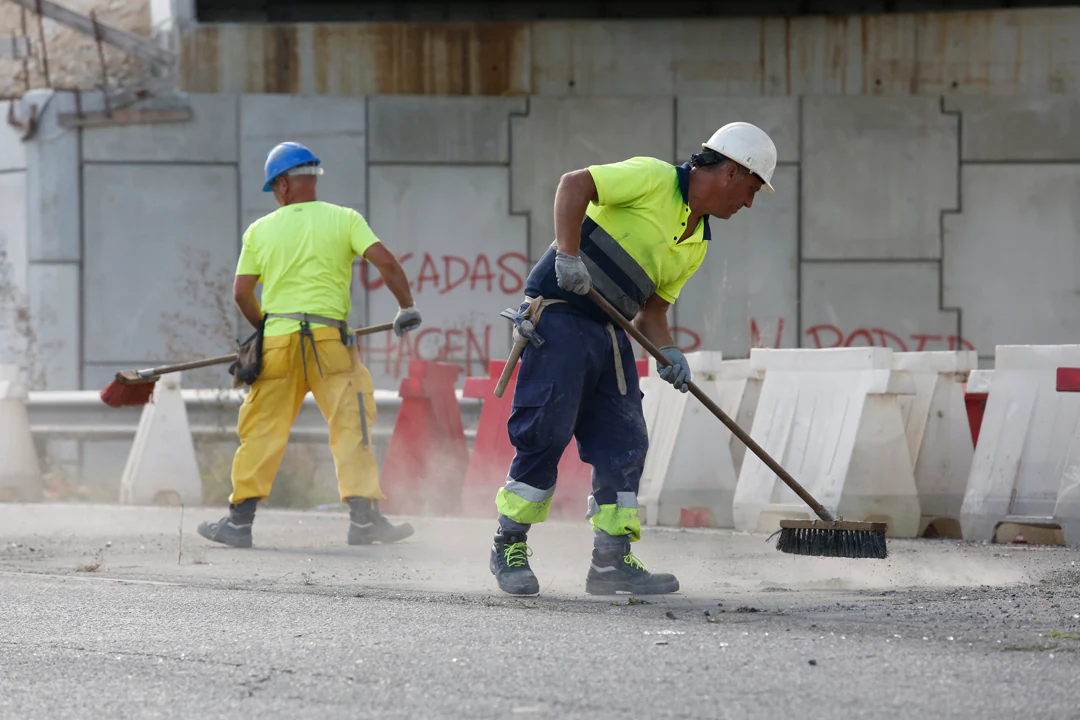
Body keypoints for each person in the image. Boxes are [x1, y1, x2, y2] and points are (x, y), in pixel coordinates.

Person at [489, 122, 777, 595]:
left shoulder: (698, 240)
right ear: (730, 171)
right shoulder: (654, 178)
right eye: (750, 190)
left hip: (611, 329)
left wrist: (667, 351)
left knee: (625, 442)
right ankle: (509, 543)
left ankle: (610, 561)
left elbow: (654, 311)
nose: (747, 204)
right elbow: (574, 184)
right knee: (547, 429)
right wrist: (568, 254)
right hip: (560, 314)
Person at [198, 141, 421, 549]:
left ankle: (239, 523)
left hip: (279, 343)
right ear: (310, 178)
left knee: (262, 429)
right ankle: (364, 520)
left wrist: (266, 328)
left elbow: (241, 292)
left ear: (282, 184)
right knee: (352, 424)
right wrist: (406, 307)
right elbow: (387, 263)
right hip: (330, 341)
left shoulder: (260, 231)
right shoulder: (344, 219)